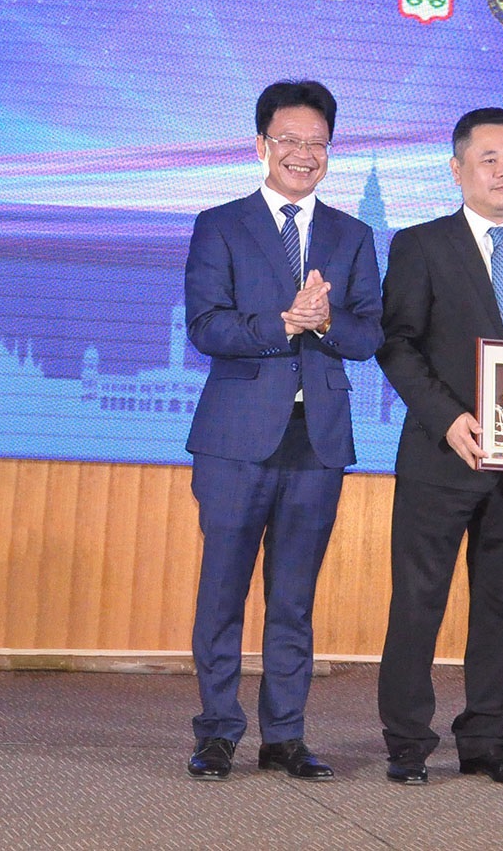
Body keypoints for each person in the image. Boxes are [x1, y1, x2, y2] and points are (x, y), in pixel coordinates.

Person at [183, 79, 383, 781]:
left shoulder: (352, 235)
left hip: (317, 442)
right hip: (236, 438)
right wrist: (282, 325)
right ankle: (216, 732)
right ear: (262, 145)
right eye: (289, 141)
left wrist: (325, 321)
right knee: (223, 592)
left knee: (293, 599)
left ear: (331, 151)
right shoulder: (220, 224)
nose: (303, 154)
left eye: (317, 143)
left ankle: (286, 737)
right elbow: (206, 326)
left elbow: (368, 334)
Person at [376, 107, 503, 786]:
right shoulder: (421, 244)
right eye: (490, 158)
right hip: (442, 457)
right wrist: (448, 419)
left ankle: (487, 739)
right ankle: (407, 744)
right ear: (458, 167)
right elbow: (396, 344)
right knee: (418, 603)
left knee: (502, 605)